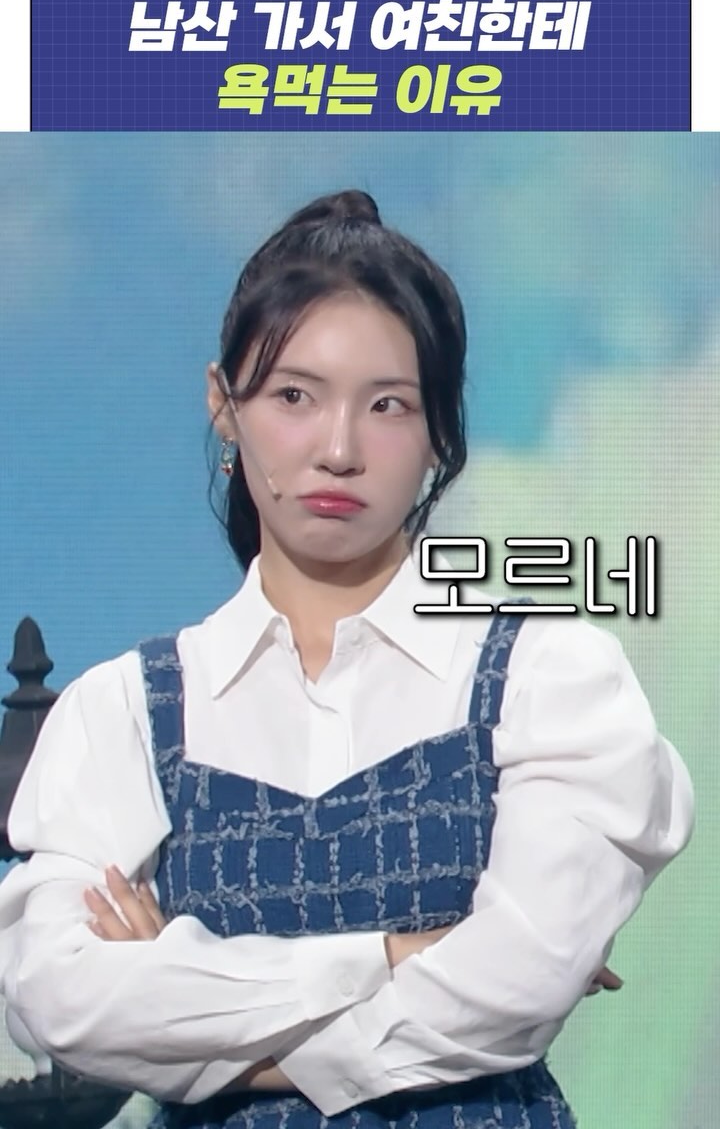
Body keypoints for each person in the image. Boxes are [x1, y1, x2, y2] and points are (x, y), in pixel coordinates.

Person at [0, 190, 694, 1129]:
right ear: (223, 405)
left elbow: (520, 984)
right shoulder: (123, 709)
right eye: (294, 396)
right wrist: (399, 955)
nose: (338, 449)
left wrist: (190, 1013)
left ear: (440, 428)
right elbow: (63, 1001)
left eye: (388, 405)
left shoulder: (550, 676)